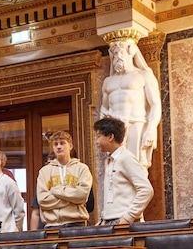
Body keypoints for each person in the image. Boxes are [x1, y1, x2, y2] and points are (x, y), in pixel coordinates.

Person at [100, 37, 161, 170]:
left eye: (121, 52)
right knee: (115, 168)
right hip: (113, 129)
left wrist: (151, 129)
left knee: (136, 166)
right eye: (115, 54)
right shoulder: (108, 81)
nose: (118, 56)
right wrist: (102, 130)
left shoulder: (144, 75)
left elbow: (155, 104)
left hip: (136, 125)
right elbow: (104, 107)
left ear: (131, 53)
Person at [94, 117, 154, 225]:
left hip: (123, 222)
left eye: (98, 136)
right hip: (110, 221)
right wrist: (104, 218)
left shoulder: (126, 158)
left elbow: (146, 190)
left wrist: (127, 218)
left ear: (111, 137)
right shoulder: (109, 159)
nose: (97, 141)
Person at [36, 131, 92, 227]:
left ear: (70, 146)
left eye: (62, 143)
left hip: (76, 223)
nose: (58, 146)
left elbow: (82, 195)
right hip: (51, 225)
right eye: (55, 144)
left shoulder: (82, 168)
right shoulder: (44, 171)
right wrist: (71, 200)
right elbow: (42, 199)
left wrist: (55, 191)